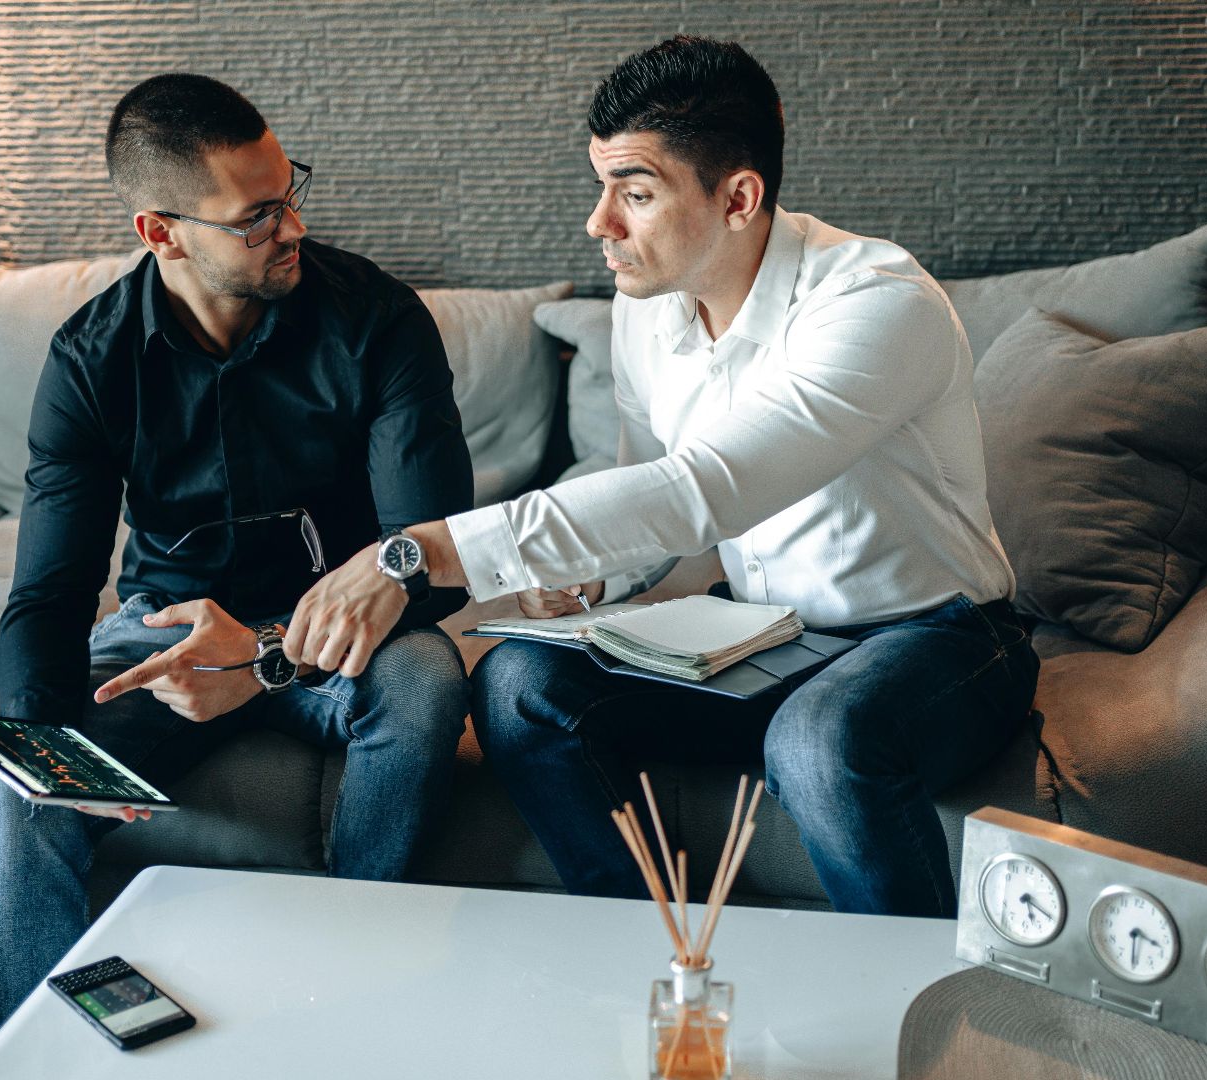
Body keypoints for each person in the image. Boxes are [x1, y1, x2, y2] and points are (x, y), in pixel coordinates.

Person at [282, 37, 1038, 919]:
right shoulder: (645, 312)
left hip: (939, 638)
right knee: (518, 685)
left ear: (739, 199)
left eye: (635, 193)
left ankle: (915, 1018)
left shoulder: (875, 302)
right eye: (602, 187)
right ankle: (659, 956)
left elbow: (703, 489)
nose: (600, 222)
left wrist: (418, 552)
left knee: (821, 737)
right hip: (765, 637)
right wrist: (594, 575)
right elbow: (641, 484)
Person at [0, 73, 473, 1035]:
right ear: (160, 233)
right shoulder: (90, 360)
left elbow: (429, 560)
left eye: (290, 194)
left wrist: (262, 654)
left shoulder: (378, 320)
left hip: (341, 640)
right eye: (256, 217)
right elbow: (47, 595)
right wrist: (54, 757)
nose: (291, 227)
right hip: (162, 635)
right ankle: (26, 1055)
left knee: (424, 679)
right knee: (16, 793)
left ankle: (353, 997)